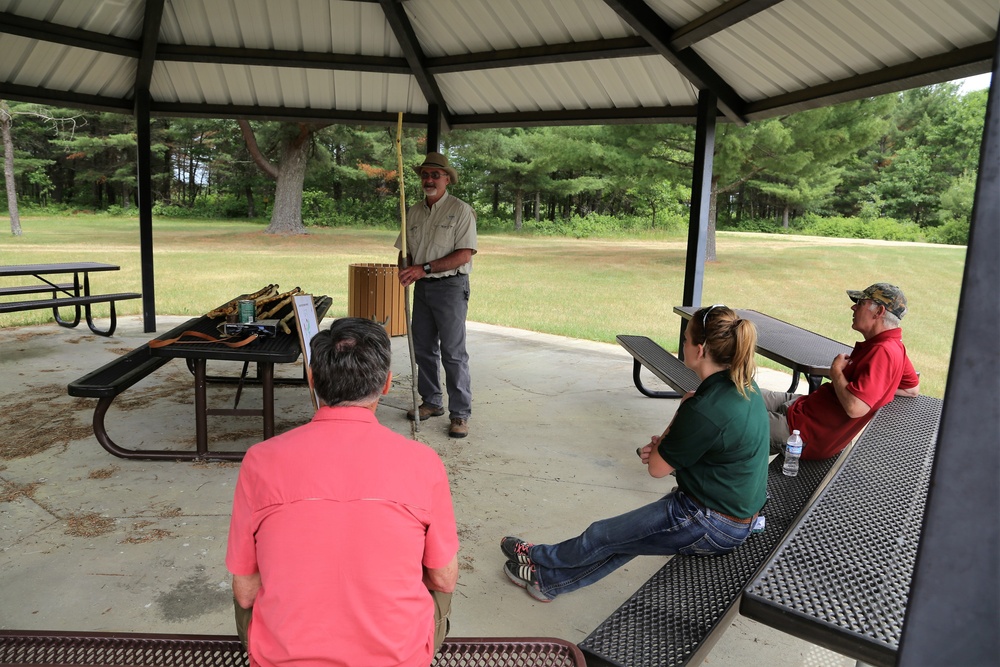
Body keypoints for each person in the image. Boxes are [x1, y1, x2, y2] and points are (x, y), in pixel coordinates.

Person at [226, 318, 459, 667]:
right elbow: (443, 577)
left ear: (311, 379)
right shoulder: (423, 462)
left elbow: (245, 593)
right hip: (397, 658)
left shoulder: (259, 461)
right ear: (386, 384)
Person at [501, 305, 769, 602]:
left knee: (601, 535)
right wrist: (669, 442)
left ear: (701, 349)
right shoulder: (741, 384)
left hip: (712, 522)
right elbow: (701, 449)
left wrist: (679, 416)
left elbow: (656, 468)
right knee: (625, 540)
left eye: (686, 338)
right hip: (730, 513)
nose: (683, 343)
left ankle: (541, 557)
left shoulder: (705, 408)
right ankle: (547, 582)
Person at [762, 283, 920, 460]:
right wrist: (877, 392)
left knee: (728, 418)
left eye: (860, 303)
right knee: (739, 393)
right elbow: (911, 389)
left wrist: (836, 371)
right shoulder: (893, 346)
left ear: (879, 312)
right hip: (801, 407)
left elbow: (855, 408)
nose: (853, 307)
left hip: (802, 432)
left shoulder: (883, 352)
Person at [396, 151, 478, 439]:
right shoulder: (414, 211)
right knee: (423, 348)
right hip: (422, 288)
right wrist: (404, 270)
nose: (429, 180)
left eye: (435, 175)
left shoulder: (461, 210)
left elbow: (463, 255)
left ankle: (460, 414)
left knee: (453, 353)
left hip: (451, 287)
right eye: (425, 175)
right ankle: (431, 401)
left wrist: (423, 268)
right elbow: (404, 251)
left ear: (446, 179)